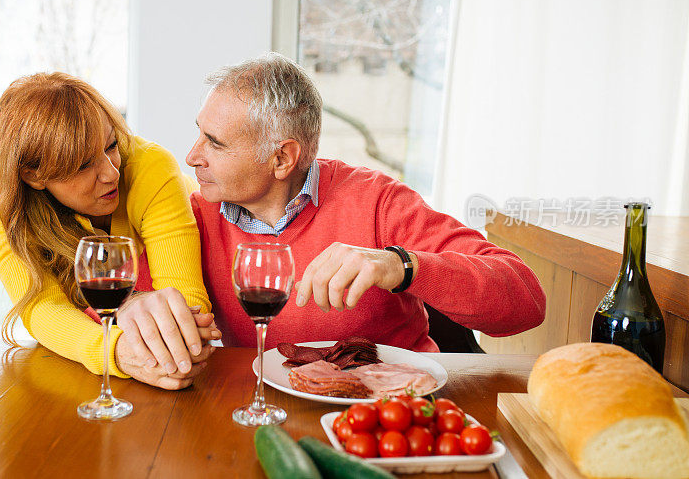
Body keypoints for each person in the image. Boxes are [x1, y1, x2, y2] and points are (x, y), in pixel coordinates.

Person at [185, 53, 546, 351]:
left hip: (388, 411)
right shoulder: (193, 215)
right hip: (262, 409)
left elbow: (527, 300)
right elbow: (136, 302)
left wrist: (400, 266)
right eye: (199, 132)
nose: (192, 156)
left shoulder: (379, 201)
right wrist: (139, 307)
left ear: (282, 159)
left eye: (215, 143)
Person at [0, 72, 218, 389]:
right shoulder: (1, 201)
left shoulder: (151, 167)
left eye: (111, 146)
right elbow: (42, 308)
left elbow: (186, 305)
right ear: (33, 175)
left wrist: (158, 325)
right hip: (126, 357)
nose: (111, 173)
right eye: (82, 165)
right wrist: (116, 352)